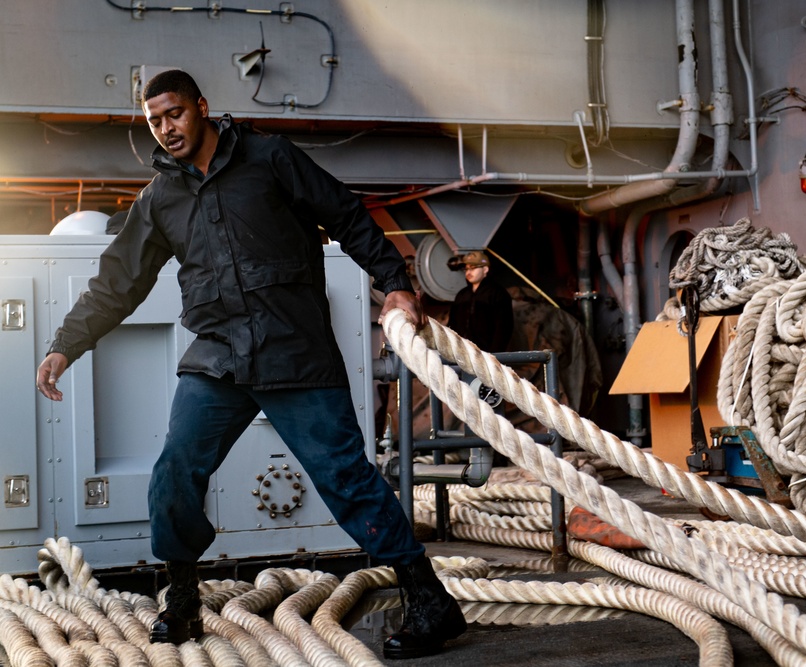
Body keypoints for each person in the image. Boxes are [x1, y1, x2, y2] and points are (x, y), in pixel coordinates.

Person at [34, 69, 466, 660]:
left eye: (174, 114)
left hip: (296, 355)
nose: (166, 129)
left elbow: (344, 213)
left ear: (201, 108)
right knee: (174, 474)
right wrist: (65, 344)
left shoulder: (270, 158)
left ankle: (429, 599)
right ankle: (182, 599)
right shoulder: (160, 199)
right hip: (215, 361)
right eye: (154, 121)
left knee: (346, 479)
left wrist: (396, 283)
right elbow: (118, 283)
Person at [447, 250, 514, 352]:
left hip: (486, 355)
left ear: (485, 269)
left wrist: (495, 355)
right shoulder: (461, 295)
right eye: (466, 268)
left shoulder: (497, 294)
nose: (468, 272)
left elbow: (503, 329)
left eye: (473, 268)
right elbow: (452, 325)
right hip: (461, 354)